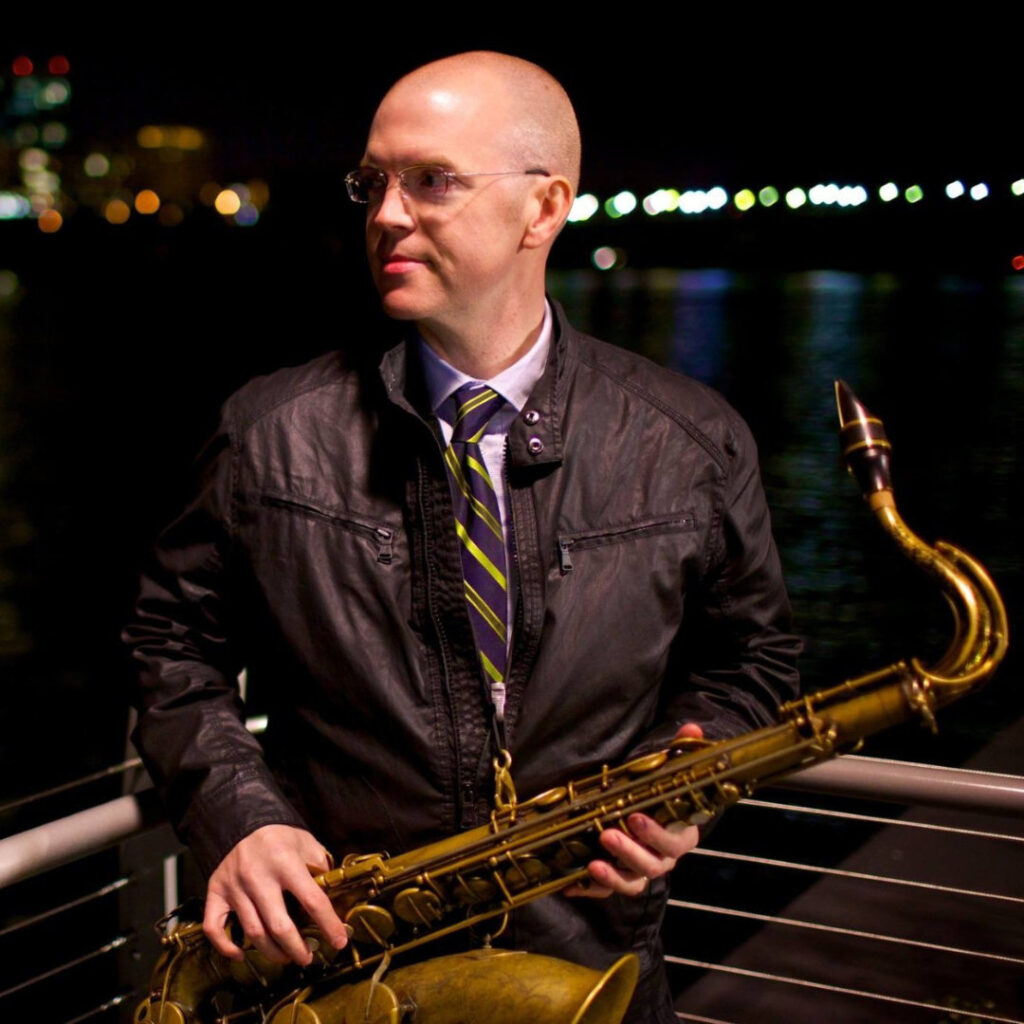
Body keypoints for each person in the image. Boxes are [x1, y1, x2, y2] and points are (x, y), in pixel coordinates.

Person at [125, 51, 800, 1023]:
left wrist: (691, 762)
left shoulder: (691, 441)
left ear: (543, 208)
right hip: (334, 980)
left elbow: (753, 655)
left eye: (431, 181)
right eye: (373, 182)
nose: (386, 214)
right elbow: (168, 645)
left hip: (592, 977)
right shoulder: (265, 434)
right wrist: (239, 819)